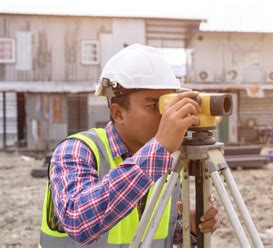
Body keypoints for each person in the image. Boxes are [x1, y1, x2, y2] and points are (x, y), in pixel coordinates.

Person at [39, 44, 219, 247]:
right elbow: (79, 222)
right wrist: (158, 149)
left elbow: (150, 231)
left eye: (167, 103)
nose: (166, 114)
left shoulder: (166, 159)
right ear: (118, 113)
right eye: (153, 106)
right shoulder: (77, 150)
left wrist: (188, 227)